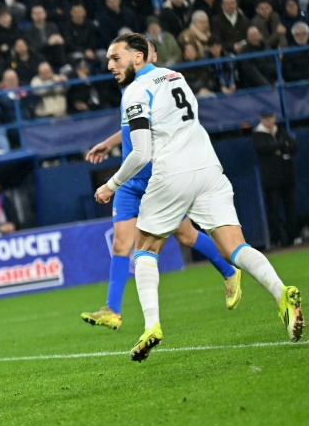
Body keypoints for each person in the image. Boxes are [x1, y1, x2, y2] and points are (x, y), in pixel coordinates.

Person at [93, 33, 303, 361]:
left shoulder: (135, 91)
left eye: (116, 58)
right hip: (208, 169)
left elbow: (141, 152)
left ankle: (152, 326)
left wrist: (112, 184)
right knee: (236, 246)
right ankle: (281, 292)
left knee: (144, 249)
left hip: (171, 174)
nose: (109, 66)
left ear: (138, 58)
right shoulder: (176, 77)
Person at [81, 38, 242, 332]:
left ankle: (229, 271)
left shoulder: (156, 85)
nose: (112, 66)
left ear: (145, 56)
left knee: (187, 235)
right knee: (121, 243)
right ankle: (112, 310)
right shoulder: (131, 90)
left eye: (117, 59)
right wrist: (109, 142)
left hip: (157, 175)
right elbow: (131, 126)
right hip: (131, 180)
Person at [252, 112, 298, 248]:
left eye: (271, 117)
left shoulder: (281, 131)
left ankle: (293, 237)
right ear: (262, 119)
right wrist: (281, 145)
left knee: (291, 208)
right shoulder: (258, 134)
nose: (269, 120)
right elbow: (263, 148)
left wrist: (278, 148)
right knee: (274, 210)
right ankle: (277, 240)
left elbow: (294, 146)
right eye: (266, 118)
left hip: (287, 177)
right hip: (271, 180)